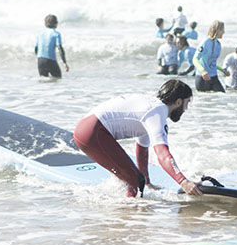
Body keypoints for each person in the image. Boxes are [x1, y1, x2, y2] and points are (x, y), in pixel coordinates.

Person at [73, 80, 203, 198]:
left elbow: (142, 149)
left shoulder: (151, 108)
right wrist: (183, 181)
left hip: (85, 128)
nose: (185, 109)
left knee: (133, 179)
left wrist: (147, 181)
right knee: (134, 179)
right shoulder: (157, 112)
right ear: (178, 102)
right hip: (93, 132)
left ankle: (121, 210)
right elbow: (163, 154)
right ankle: (128, 219)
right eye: (187, 103)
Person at [192, 20, 225, 92]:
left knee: (222, 96)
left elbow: (211, 63)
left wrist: (222, 70)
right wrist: (203, 71)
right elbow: (195, 59)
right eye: (222, 30)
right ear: (217, 30)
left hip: (214, 77)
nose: (224, 32)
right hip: (202, 78)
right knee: (206, 101)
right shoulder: (205, 42)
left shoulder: (218, 44)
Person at [35, 14, 69, 79]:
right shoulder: (56, 34)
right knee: (58, 79)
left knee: (43, 80)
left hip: (40, 60)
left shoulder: (40, 34)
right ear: (56, 23)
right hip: (50, 60)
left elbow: (36, 48)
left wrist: (38, 58)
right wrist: (64, 63)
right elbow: (60, 48)